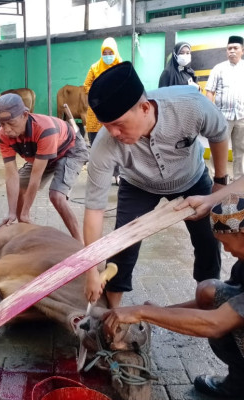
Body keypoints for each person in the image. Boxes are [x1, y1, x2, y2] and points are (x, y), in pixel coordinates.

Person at [84, 61, 229, 309]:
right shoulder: (105, 144)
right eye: (107, 127)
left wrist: (219, 184)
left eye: (118, 124)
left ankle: (208, 301)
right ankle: (112, 312)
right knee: (123, 243)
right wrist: (90, 271)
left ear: (144, 107)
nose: (114, 134)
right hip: (139, 184)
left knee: (208, 239)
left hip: (191, 178)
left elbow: (219, 134)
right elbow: (94, 210)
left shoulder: (191, 106)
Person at [102, 191, 244, 399]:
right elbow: (222, 304)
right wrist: (158, 312)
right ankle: (237, 381)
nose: (225, 249)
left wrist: (142, 312)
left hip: (220, 323)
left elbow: (216, 323)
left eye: (225, 242)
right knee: (208, 292)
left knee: (219, 329)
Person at [0, 93, 89, 243]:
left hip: (70, 150)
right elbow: (11, 175)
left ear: (25, 115)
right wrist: (11, 213)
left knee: (57, 196)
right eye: (1, 124)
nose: (6, 130)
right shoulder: (3, 135)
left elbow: (36, 177)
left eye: (11, 123)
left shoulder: (44, 129)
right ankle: (23, 232)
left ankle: (79, 244)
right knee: (20, 188)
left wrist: (25, 211)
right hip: (42, 155)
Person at [205, 35, 244, 181]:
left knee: (240, 151)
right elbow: (210, 92)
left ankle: (239, 181)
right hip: (222, 118)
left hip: (242, 117)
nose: (232, 51)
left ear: (242, 50)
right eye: (229, 48)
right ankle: (216, 180)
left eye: (235, 48)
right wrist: (211, 114)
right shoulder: (219, 68)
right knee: (218, 149)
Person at [83, 37, 122, 147]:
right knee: (96, 143)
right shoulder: (94, 67)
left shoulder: (121, 67)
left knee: (115, 142)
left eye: (110, 52)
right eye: (104, 53)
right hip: (97, 109)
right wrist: (98, 94)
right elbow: (86, 86)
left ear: (115, 52)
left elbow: (126, 87)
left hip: (115, 110)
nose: (107, 55)